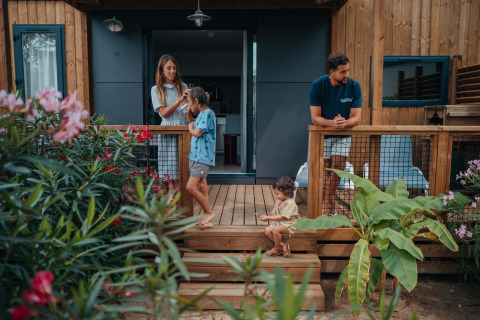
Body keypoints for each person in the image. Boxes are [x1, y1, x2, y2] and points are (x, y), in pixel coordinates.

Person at [309, 53, 362, 216]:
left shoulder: (354, 86)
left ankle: (326, 202)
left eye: (348, 70)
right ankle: (331, 201)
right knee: (326, 171)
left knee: (338, 166)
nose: (347, 75)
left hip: (344, 134)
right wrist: (332, 123)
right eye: (343, 72)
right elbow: (315, 117)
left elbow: (357, 118)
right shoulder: (318, 86)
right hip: (323, 134)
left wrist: (344, 123)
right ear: (331, 72)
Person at [151, 54, 189, 192]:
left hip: (185, 132)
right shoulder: (156, 89)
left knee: (184, 173)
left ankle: (180, 207)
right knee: (171, 175)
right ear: (161, 70)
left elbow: (188, 111)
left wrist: (198, 101)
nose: (172, 71)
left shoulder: (183, 86)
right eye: (168, 68)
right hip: (169, 133)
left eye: (174, 68)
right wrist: (180, 100)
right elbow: (164, 113)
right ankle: (174, 208)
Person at [185, 87, 216, 230]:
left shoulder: (208, 113)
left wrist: (190, 129)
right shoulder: (201, 115)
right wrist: (188, 117)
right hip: (195, 156)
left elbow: (196, 133)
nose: (189, 105)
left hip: (202, 158)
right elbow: (195, 124)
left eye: (189, 102)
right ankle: (207, 219)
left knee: (190, 187)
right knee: (202, 187)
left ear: (196, 101)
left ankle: (209, 213)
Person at [260, 176, 300, 257]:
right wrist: (268, 218)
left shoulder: (290, 203)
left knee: (276, 230)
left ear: (287, 191)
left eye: (278, 193)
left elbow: (282, 217)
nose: (276, 196)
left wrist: (267, 218)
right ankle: (283, 245)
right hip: (280, 224)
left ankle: (277, 248)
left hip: (289, 225)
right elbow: (275, 214)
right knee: (267, 230)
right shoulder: (279, 201)